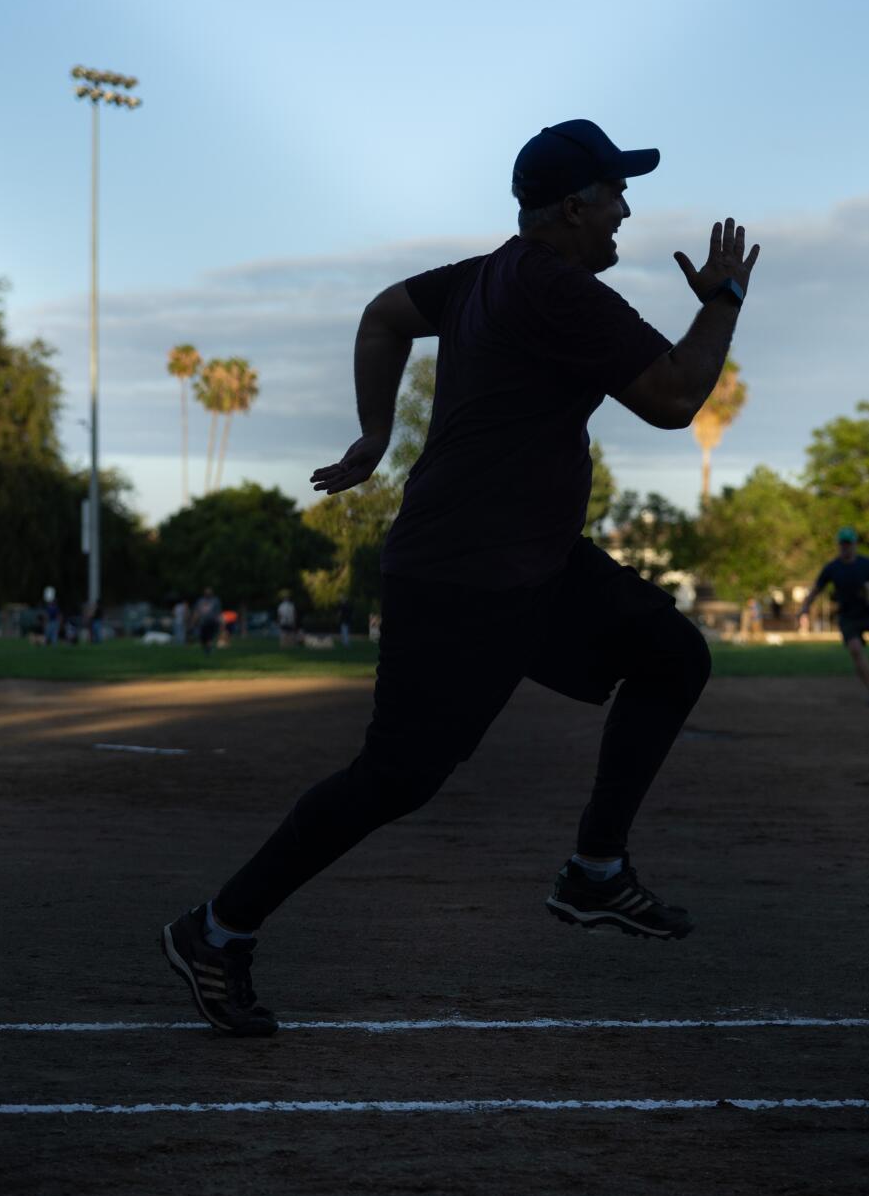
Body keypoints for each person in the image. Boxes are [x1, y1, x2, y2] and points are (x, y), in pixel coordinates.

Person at [161, 118, 758, 1036]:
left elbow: (384, 314)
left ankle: (594, 871)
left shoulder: (486, 274)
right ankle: (216, 927)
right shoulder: (558, 291)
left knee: (673, 654)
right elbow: (677, 398)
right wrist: (720, 300)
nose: (624, 210)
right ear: (571, 206)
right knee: (395, 776)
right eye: (612, 194)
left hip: (533, 560)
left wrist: (375, 434)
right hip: (466, 575)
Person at [798, 526, 869, 706]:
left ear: (855, 544)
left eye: (849, 543)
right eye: (843, 544)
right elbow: (816, 589)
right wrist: (804, 608)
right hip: (849, 616)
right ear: (839, 545)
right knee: (855, 648)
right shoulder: (832, 568)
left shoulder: (867, 564)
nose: (846, 547)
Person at [195, 587, 222, 654]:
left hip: (212, 621)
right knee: (202, 638)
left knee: (209, 636)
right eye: (206, 592)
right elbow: (197, 611)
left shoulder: (215, 600)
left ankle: (209, 649)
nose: (208, 593)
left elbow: (218, 612)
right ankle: (206, 649)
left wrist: (220, 622)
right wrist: (194, 621)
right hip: (202, 622)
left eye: (209, 592)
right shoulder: (200, 601)